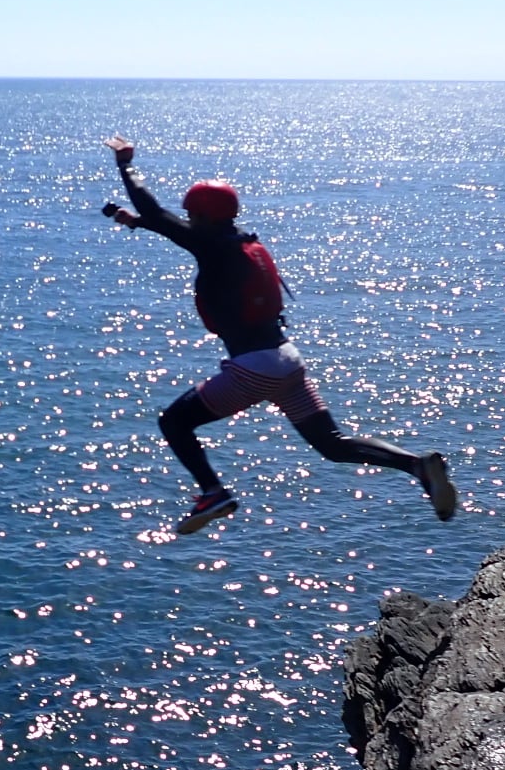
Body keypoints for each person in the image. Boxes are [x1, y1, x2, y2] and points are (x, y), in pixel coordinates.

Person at [100, 136, 457, 534]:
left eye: (191, 214)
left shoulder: (211, 246)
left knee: (174, 423)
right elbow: (175, 229)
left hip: (254, 368)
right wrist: (140, 222)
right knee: (333, 444)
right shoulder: (240, 243)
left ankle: (212, 493)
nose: (188, 219)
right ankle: (416, 465)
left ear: (201, 216)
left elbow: (158, 212)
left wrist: (125, 164)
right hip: (286, 359)